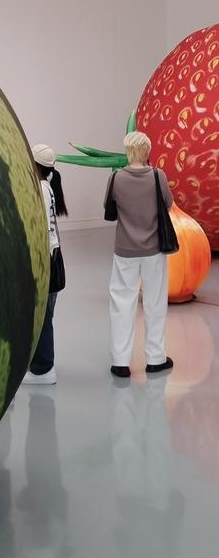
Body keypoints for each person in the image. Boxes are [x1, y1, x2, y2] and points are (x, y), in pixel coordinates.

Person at [106, 131, 174, 378]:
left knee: (122, 303)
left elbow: (110, 209)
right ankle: (155, 358)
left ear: (127, 151)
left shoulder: (116, 179)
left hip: (124, 250)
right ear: (147, 151)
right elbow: (167, 203)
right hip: (154, 250)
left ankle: (120, 361)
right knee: (155, 302)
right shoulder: (158, 176)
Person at [23, 144, 68, 385]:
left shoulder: (38, 188)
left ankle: (43, 369)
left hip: (46, 260)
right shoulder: (48, 187)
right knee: (45, 315)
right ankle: (41, 364)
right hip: (54, 257)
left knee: (42, 317)